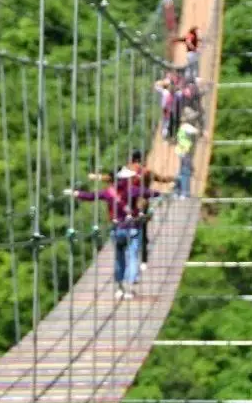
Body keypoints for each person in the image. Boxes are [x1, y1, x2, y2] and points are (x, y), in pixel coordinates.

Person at [66, 168, 161, 298]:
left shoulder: (109, 192)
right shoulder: (132, 189)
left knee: (119, 259)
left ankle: (119, 289)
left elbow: (91, 196)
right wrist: (157, 193)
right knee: (132, 257)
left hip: (117, 229)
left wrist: (75, 193)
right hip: (132, 228)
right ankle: (129, 288)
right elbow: (151, 193)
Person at [89, 151, 175, 272]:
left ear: (131, 159)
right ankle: (143, 261)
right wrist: (173, 179)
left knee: (123, 231)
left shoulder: (127, 170)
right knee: (143, 233)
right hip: (142, 204)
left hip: (127, 205)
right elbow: (162, 179)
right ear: (141, 159)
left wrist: (95, 177)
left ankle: (125, 262)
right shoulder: (147, 171)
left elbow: (111, 177)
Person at [174, 122, 198, 198]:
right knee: (185, 172)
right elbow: (194, 131)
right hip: (185, 153)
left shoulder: (181, 129)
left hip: (182, 152)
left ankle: (177, 192)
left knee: (181, 172)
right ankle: (184, 193)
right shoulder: (186, 127)